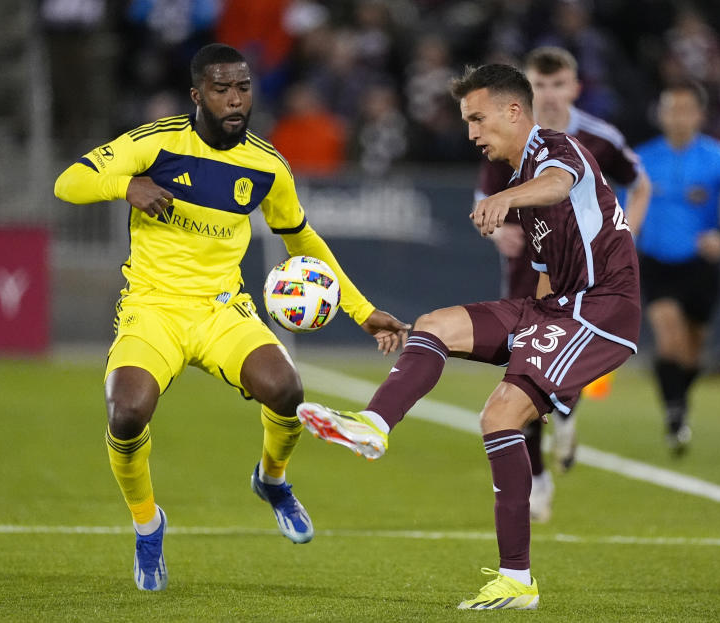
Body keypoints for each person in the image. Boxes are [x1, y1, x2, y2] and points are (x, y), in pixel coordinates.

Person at [53, 43, 409, 592]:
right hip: (153, 308)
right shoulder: (156, 143)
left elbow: (302, 239)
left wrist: (361, 312)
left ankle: (272, 481)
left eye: (243, 87)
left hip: (222, 310)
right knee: (126, 414)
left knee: (286, 389)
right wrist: (128, 186)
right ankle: (148, 525)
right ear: (197, 95)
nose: (235, 98)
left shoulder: (267, 166)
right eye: (221, 89)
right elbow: (69, 182)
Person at [297, 63, 640, 610]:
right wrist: (537, 343)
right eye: (466, 121)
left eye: (478, 119)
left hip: (601, 312)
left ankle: (517, 580)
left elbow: (559, 182)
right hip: (555, 307)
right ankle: (374, 425)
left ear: (513, 111)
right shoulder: (519, 180)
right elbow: (548, 271)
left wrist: (508, 200)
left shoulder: (558, 151)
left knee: (499, 415)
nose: (472, 133)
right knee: (433, 326)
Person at [477, 46, 651, 522]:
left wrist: (625, 231)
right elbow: (485, 194)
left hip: (590, 280)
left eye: (559, 85)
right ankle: (537, 478)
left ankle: (568, 412)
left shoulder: (598, 136)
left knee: (553, 374)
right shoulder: (512, 136)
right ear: (526, 91)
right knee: (521, 371)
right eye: (541, 84)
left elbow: (640, 181)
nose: (550, 94)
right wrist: (499, 231)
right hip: (530, 273)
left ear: (575, 88)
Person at [635, 80, 720, 454]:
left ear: (699, 115)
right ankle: (675, 418)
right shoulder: (642, 159)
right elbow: (621, 206)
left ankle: (678, 400)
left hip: (701, 266)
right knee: (669, 335)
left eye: (684, 110)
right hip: (657, 262)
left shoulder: (717, 158)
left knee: (692, 352)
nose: (676, 117)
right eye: (670, 109)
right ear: (660, 114)